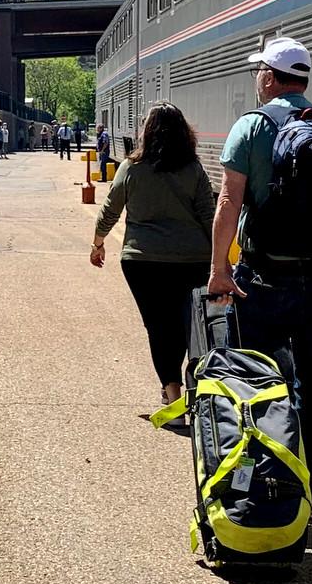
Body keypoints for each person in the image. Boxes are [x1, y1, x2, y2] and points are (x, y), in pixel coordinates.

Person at [207, 37, 312, 519]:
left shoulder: (252, 127)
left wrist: (220, 269)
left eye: (258, 73)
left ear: (267, 77)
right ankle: (309, 487)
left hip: (263, 278)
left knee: (256, 379)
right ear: (303, 80)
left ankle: (265, 483)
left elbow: (228, 202)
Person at [90, 102, 217, 406]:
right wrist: (221, 258)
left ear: (147, 131)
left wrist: (98, 243)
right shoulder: (193, 168)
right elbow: (208, 214)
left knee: (159, 326)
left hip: (143, 260)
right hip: (192, 259)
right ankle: (194, 383)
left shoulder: (131, 167)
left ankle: (172, 396)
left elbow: (109, 210)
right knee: (190, 324)